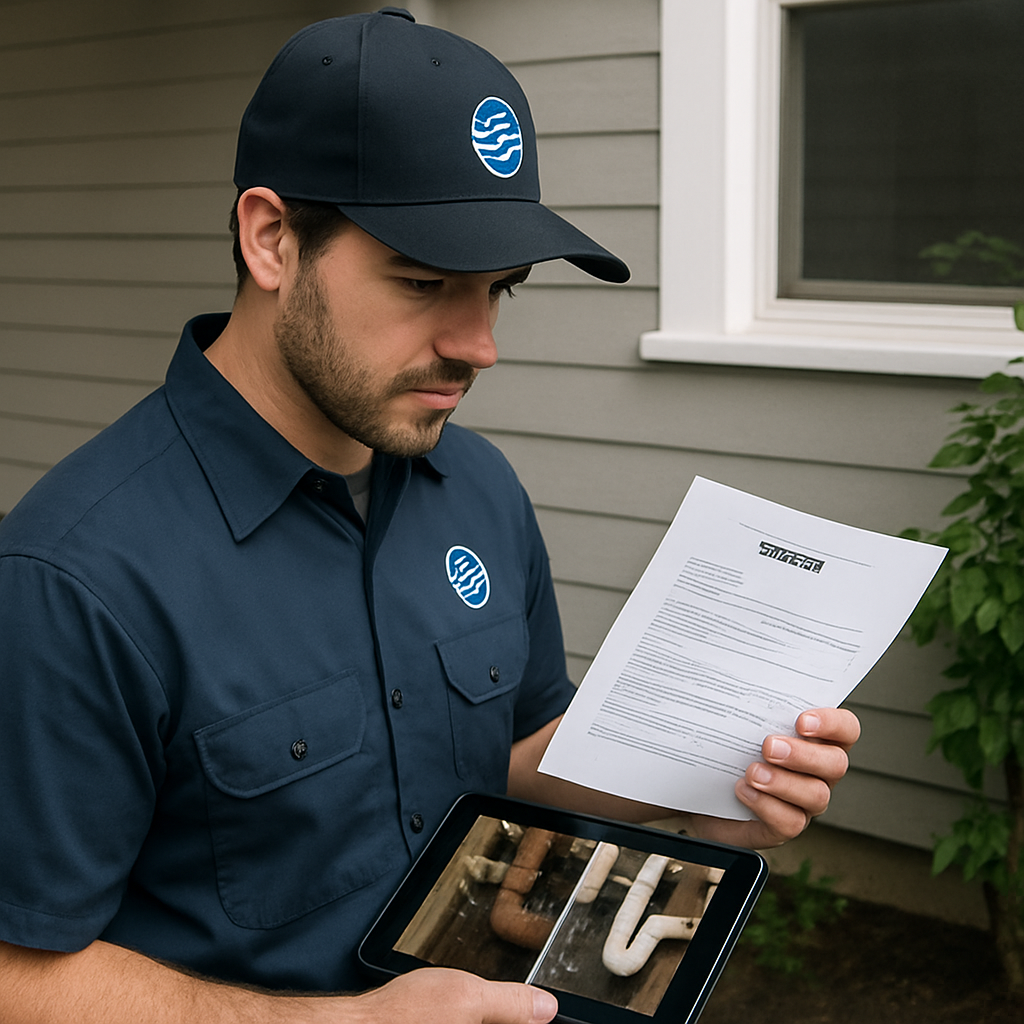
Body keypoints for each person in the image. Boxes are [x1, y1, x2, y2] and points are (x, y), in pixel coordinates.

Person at [0, 9, 860, 1023]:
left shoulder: (480, 488)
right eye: (423, 282)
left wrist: (704, 790)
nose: (477, 343)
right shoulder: (72, 577)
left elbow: (506, 762)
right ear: (272, 238)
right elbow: (17, 968)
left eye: (500, 289)